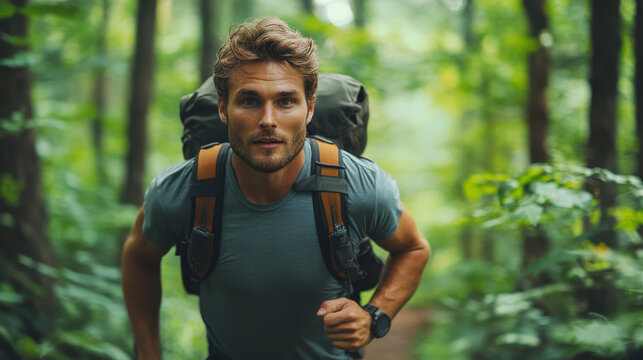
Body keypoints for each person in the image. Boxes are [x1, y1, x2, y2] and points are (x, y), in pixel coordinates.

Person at [121, 16, 430, 360]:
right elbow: (138, 257)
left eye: (285, 101)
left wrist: (375, 316)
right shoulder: (183, 191)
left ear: (309, 107)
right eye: (250, 101)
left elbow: (413, 249)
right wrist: (148, 353)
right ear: (224, 108)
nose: (268, 119)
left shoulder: (359, 187)